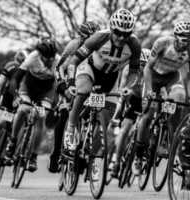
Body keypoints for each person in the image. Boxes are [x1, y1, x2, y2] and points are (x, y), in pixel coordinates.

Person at [64, 8, 141, 181]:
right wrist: (70, 83)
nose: (122, 37)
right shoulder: (98, 38)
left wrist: (127, 86)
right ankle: (71, 127)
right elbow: (74, 61)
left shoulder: (134, 44)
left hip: (111, 78)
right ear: (111, 29)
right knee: (83, 92)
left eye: (126, 33)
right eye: (118, 32)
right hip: (90, 70)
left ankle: (94, 161)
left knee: (103, 123)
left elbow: (134, 72)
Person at [132, 21, 189, 175]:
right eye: (184, 40)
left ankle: (168, 143)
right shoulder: (162, 43)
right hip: (154, 76)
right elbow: (148, 68)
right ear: (176, 37)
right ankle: (139, 156)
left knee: (179, 103)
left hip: (172, 77)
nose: (186, 44)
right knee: (148, 115)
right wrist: (149, 89)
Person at [47, 21, 100, 173]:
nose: (91, 41)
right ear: (81, 37)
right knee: (64, 114)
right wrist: (63, 84)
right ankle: (56, 152)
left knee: (90, 115)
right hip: (71, 81)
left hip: (88, 81)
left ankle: (83, 152)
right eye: (87, 38)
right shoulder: (74, 45)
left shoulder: (100, 46)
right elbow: (60, 67)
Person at [5, 37, 60, 172]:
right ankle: (12, 142)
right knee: (23, 109)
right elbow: (15, 79)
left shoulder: (58, 61)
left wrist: (58, 103)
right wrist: (17, 96)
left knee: (41, 117)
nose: (51, 59)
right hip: (28, 87)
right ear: (40, 54)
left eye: (52, 56)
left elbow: (60, 84)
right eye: (47, 57)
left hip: (46, 91)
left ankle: (33, 157)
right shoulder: (32, 57)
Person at [109, 49, 151, 178]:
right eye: (140, 64)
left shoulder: (152, 71)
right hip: (132, 99)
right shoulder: (129, 69)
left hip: (146, 100)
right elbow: (122, 87)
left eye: (145, 64)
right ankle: (116, 163)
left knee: (149, 125)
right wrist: (123, 100)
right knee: (125, 130)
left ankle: (142, 154)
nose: (142, 68)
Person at [0, 50, 28, 163]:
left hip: (21, 101)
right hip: (7, 99)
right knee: (0, 123)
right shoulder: (10, 67)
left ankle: (14, 151)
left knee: (19, 124)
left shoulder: (32, 70)